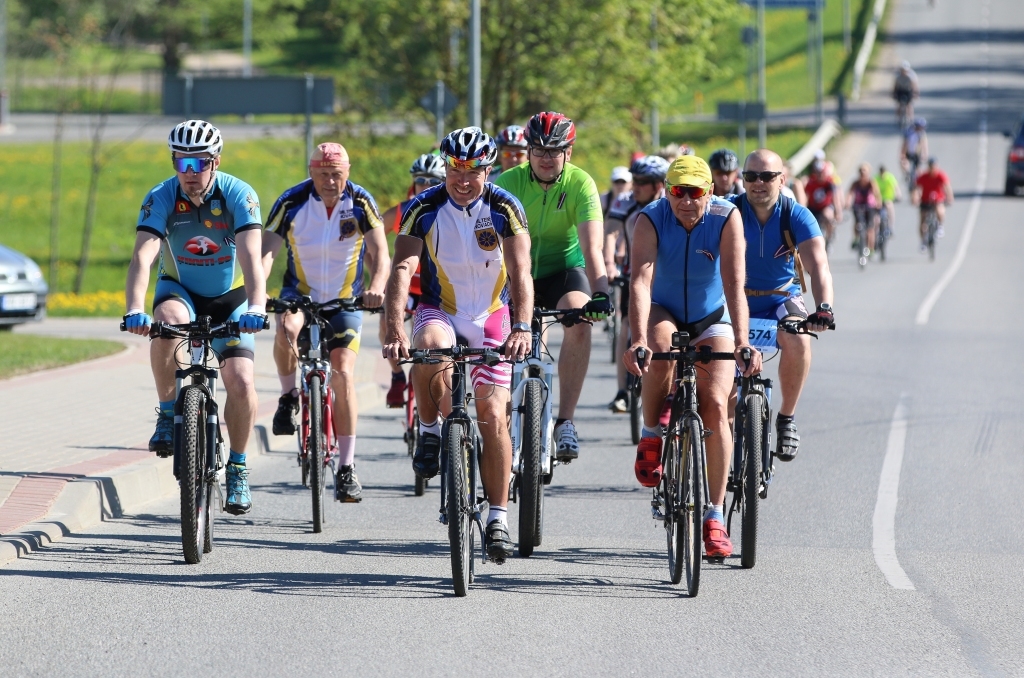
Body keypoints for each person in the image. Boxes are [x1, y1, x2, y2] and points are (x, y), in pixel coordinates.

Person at [383, 126, 533, 562]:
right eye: (455, 169)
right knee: (427, 345)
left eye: (473, 170)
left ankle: (498, 517)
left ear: (489, 169)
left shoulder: (505, 206)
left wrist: (521, 327)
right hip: (441, 309)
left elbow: (521, 272)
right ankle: (429, 432)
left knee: (491, 414)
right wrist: (394, 330)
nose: (463, 179)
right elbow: (401, 269)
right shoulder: (423, 207)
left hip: (493, 315)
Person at [124, 119, 267, 515]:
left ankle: (237, 467)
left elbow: (251, 256)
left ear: (215, 161)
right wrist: (135, 308)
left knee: (240, 381)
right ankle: (168, 413)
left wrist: (257, 306)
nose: (189, 174)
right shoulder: (163, 196)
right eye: (181, 163)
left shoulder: (239, 194)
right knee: (164, 323)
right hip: (180, 290)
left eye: (198, 164)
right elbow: (143, 255)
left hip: (231, 298)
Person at [624, 155, 762, 559]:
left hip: (712, 316)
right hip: (664, 310)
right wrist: (637, 340)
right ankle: (651, 433)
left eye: (695, 192)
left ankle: (714, 515)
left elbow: (736, 285)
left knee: (717, 403)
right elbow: (640, 282)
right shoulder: (650, 218)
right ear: (667, 191)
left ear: (711, 192)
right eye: (677, 192)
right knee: (662, 350)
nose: (685, 201)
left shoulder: (727, 216)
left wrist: (741, 341)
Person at [262, 143, 389, 502]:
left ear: (347, 172)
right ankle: (288, 397)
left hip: (345, 300)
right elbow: (268, 250)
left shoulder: (360, 202)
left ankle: (347, 467)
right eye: (322, 175)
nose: (330, 181)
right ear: (311, 172)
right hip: (299, 294)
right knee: (286, 328)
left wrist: (377, 288)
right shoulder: (292, 201)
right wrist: (258, 292)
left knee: (343, 373)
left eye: (336, 174)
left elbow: (380, 252)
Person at [495, 111, 611, 461]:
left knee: (579, 321)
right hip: (515, 273)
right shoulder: (507, 182)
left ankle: (565, 421)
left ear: (568, 153)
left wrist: (602, 291)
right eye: (539, 150)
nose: (546, 158)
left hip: (562, 269)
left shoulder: (580, 184)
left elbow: (593, 248)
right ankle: (497, 419)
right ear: (527, 151)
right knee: (497, 332)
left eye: (554, 151)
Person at [733, 150, 835, 461]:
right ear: (743, 180)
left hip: (781, 298)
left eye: (767, 176)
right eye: (751, 176)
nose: (758, 183)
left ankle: (786, 418)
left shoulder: (796, 215)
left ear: (782, 179)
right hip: (735, 299)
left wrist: (824, 307)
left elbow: (818, 266)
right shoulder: (727, 212)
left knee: (800, 339)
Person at [380, 154, 446, 408]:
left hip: (437, 290)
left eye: (433, 181)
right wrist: (383, 267)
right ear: (413, 183)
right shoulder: (401, 211)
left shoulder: (448, 210)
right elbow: (371, 239)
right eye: (420, 180)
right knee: (386, 319)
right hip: (407, 287)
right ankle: (398, 376)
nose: (426, 186)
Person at [604, 155, 669, 412]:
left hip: (666, 279)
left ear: (658, 185)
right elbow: (610, 232)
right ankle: (622, 391)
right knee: (626, 325)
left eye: (644, 181)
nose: (636, 186)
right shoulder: (625, 201)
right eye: (635, 180)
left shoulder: (669, 204)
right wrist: (609, 263)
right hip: (636, 275)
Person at [913, 156, 953, 248]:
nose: (932, 169)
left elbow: (947, 186)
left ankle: (940, 226)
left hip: (938, 199)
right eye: (931, 167)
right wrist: (915, 197)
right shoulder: (924, 176)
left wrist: (950, 197)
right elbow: (917, 188)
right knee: (922, 221)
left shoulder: (941, 175)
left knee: (940, 210)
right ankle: (923, 241)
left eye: (934, 167)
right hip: (925, 200)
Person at [804, 158, 843, 248]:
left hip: (826, 206)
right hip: (813, 207)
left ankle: (829, 237)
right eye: (818, 173)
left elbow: (835, 198)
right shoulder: (811, 183)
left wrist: (838, 212)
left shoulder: (830, 183)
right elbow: (806, 197)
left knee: (827, 215)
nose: (820, 175)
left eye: (822, 173)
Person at [846, 163, 883, 255]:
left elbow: (877, 194)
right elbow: (850, 193)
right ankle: (856, 238)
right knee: (857, 223)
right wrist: (847, 202)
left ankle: (871, 248)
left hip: (869, 206)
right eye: (861, 171)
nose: (862, 174)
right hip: (858, 205)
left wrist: (878, 203)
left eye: (864, 171)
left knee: (870, 228)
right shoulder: (855, 183)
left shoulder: (871, 183)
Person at [876, 163, 901, 236]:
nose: (882, 174)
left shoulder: (890, 177)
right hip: (878, 199)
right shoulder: (876, 178)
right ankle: (876, 230)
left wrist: (898, 195)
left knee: (889, 207)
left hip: (888, 198)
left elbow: (896, 186)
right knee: (876, 215)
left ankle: (891, 227)